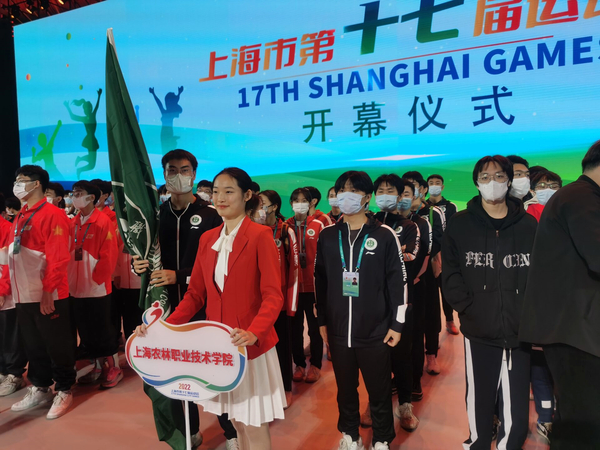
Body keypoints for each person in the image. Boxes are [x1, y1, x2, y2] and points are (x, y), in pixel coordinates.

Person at [137, 167, 285, 450]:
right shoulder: (208, 239)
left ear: (247, 195)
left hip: (249, 345)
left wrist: (254, 332)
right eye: (216, 192)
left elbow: (272, 295)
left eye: (229, 191)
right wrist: (164, 327)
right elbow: (195, 295)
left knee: (253, 422)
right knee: (237, 421)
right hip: (219, 348)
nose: (220, 198)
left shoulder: (260, 235)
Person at [133, 149, 236, 449]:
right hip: (166, 311)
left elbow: (220, 266)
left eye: (185, 170)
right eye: (172, 170)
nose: (178, 176)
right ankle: (189, 430)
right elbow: (146, 256)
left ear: (194, 173)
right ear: (164, 174)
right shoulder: (155, 216)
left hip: (205, 310)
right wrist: (138, 265)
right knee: (179, 375)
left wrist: (178, 276)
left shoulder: (212, 215)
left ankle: (231, 432)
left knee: (214, 372)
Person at [442, 155, 537, 450]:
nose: (492, 182)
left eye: (498, 176)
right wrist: (469, 309)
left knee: (517, 409)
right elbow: (451, 273)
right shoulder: (460, 224)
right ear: (476, 182)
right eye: (485, 177)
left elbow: (539, 274)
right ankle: (478, 444)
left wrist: (528, 313)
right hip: (479, 329)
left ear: (508, 181)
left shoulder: (528, 225)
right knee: (480, 400)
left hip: (519, 330)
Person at [315, 170, 407, 450]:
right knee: (345, 389)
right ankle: (349, 434)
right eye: (342, 190)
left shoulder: (384, 234)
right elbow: (320, 280)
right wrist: (322, 321)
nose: (347, 196)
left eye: (354, 190)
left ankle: (381, 438)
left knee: (379, 389)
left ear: (367, 197)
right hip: (339, 329)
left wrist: (397, 324)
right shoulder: (328, 236)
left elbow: (398, 282)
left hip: (375, 330)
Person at [519, 141, 600, 449]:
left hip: (578, 328)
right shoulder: (581, 198)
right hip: (573, 331)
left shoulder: (582, 196)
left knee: (579, 417)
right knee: (583, 420)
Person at [1, 165, 76, 420]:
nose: (17, 184)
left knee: (57, 343)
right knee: (33, 344)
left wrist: (48, 291)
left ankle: (64, 389)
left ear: (36, 184)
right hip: (23, 293)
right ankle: (41, 387)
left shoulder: (53, 214)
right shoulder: (21, 216)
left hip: (48, 294)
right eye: (16, 179)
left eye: (22, 180)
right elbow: (12, 255)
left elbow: (59, 256)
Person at [368, 174, 420, 431]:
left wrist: (385, 251)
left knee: (401, 356)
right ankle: (374, 404)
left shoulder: (409, 226)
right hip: (372, 303)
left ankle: (405, 404)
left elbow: (411, 256)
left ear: (400, 196)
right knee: (374, 358)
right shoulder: (369, 223)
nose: (385, 195)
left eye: (390, 191)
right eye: (380, 190)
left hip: (400, 302)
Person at [68, 181, 121, 388]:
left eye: (79, 193)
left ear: (91, 197)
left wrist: (98, 279)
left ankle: (114, 368)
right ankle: (98, 367)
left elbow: (109, 254)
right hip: (76, 288)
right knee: (86, 331)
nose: (75, 197)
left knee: (102, 329)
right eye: (73, 193)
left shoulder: (102, 221)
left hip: (97, 288)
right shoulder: (73, 222)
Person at [257, 190, 299, 408]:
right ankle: (265, 390)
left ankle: (285, 388)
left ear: (274, 207)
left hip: (279, 304)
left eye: (262, 204)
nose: (259, 209)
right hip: (258, 303)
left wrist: (290, 306)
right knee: (260, 348)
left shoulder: (285, 231)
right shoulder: (253, 231)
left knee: (283, 347)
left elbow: (294, 270)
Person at [405, 176, 445, 376]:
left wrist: (417, 254)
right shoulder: (399, 215)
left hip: (426, 271)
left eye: (413, 186)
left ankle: (431, 354)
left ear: (422, 189)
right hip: (405, 273)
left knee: (430, 312)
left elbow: (438, 241)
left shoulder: (432, 212)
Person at [286, 188, 324, 384]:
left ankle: (316, 365)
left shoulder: (318, 225)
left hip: (313, 287)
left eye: (303, 201)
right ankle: (299, 364)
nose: (299, 204)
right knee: (294, 328)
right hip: (293, 287)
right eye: (296, 200)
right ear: (291, 203)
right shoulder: (285, 226)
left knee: (315, 329)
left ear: (310, 203)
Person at [0, 194, 28, 397]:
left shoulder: (7, 229)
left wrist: (2, 290)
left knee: (9, 334)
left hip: (5, 293)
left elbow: (10, 263)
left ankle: (15, 374)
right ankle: (2, 370)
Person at [426, 174, 460, 336]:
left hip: (445, 256)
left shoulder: (451, 206)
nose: (434, 185)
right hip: (427, 256)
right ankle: (430, 329)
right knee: (430, 294)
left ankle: (450, 320)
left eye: (437, 183)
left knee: (446, 290)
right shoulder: (423, 207)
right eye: (431, 183)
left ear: (442, 186)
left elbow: (455, 230)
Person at [64, 89, 102, 178]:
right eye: (85, 108)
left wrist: (99, 96)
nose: (87, 109)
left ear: (90, 108)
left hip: (91, 140)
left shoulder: (91, 116)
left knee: (91, 163)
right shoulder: (88, 117)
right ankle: (80, 166)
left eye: (88, 108)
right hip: (90, 140)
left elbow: (97, 106)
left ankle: (80, 160)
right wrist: (68, 107)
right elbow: (73, 116)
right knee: (92, 164)